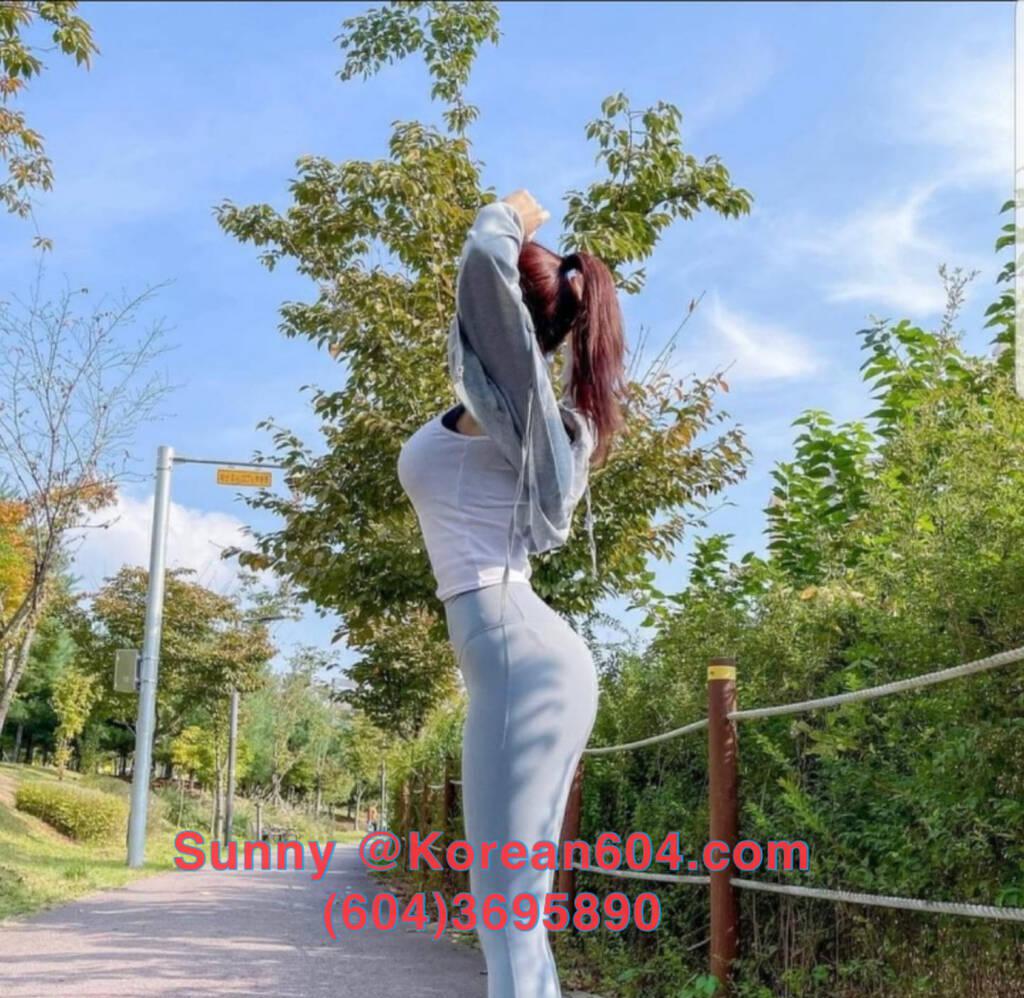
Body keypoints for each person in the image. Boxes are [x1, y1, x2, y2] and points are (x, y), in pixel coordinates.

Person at [397, 189, 628, 998]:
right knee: (510, 915)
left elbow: (480, 272)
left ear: (512, 326)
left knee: (506, 914)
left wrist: (505, 217)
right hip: (517, 655)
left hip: (520, 657)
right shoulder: (506, 412)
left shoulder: (520, 401)